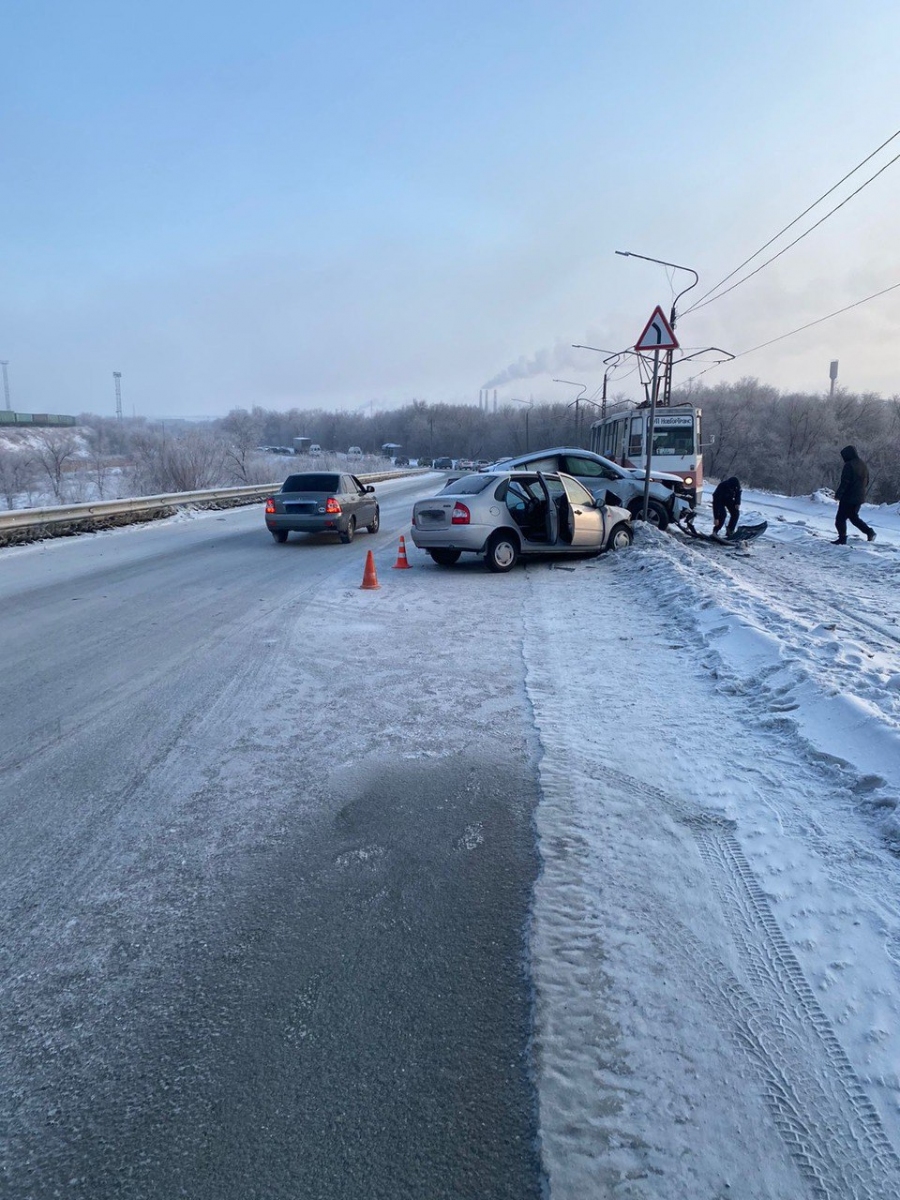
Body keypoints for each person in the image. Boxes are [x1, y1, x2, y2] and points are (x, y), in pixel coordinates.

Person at [833, 445, 875, 544]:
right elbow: (867, 481)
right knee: (853, 517)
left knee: (840, 519)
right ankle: (869, 532)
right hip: (859, 496)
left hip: (848, 497)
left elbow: (845, 482)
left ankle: (842, 538)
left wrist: (839, 494)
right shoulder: (862, 464)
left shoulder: (849, 465)